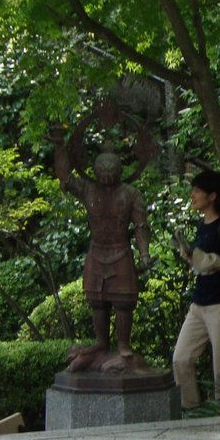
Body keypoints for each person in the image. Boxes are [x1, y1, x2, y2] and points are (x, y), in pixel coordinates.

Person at [54, 148, 152, 372]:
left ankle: (123, 346)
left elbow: (140, 226)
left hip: (120, 251)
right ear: (95, 171)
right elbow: (65, 178)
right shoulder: (88, 188)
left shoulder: (131, 193)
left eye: (112, 169)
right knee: (97, 301)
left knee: (123, 302)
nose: (107, 174)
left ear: (120, 170)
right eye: (102, 169)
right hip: (97, 251)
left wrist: (144, 253)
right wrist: (60, 145)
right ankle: (101, 343)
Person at [171, 169, 220, 407]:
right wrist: (192, 257)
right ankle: (190, 411)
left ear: (213, 195)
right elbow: (202, 263)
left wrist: (217, 264)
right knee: (181, 358)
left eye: (197, 191)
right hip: (199, 304)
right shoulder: (202, 224)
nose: (192, 195)